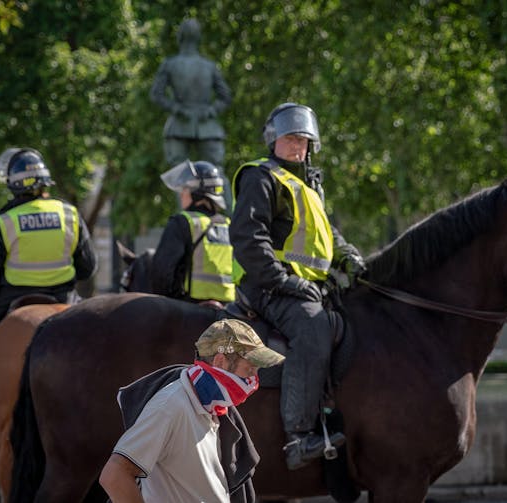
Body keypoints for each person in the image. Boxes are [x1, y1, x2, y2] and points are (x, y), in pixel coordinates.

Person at [229, 102, 366, 470]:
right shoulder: (261, 176)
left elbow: (327, 235)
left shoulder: (308, 186)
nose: (297, 146)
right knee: (313, 328)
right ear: (273, 140)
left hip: (309, 287)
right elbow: (247, 238)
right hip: (270, 288)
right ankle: (299, 437)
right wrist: (282, 280)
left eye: (304, 140)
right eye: (290, 138)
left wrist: (349, 258)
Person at [0, 147, 98, 440]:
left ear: (11, 183)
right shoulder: (70, 214)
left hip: (9, 300)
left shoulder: (5, 222)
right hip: (65, 299)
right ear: (44, 182)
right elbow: (88, 268)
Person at [99, 318, 285, 503]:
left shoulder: (217, 407)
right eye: (250, 369)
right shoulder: (171, 406)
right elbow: (114, 475)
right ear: (220, 361)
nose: (254, 379)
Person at [150, 18, 232, 170]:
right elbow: (225, 97)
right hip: (205, 124)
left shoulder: (170, 64)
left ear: (179, 37)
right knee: (215, 172)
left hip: (181, 124)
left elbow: (156, 95)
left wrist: (176, 109)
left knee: (180, 174)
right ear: (199, 38)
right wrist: (211, 111)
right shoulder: (209, 66)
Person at [152, 159, 235, 304]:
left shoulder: (183, 222)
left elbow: (161, 274)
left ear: (196, 194)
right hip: (228, 310)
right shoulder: (229, 226)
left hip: (189, 309)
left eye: (185, 189)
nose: (182, 194)